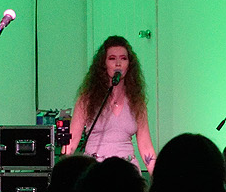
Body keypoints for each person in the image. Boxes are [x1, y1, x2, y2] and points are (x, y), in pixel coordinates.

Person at [63, 35, 156, 172]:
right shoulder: (87, 99)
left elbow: (146, 145)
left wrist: (159, 177)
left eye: (123, 58)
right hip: (96, 169)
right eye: (112, 58)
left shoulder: (137, 101)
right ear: (103, 64)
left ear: (129, 65)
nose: (118, 63)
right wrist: (63, 171)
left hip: (127, 170)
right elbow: (72, 141)